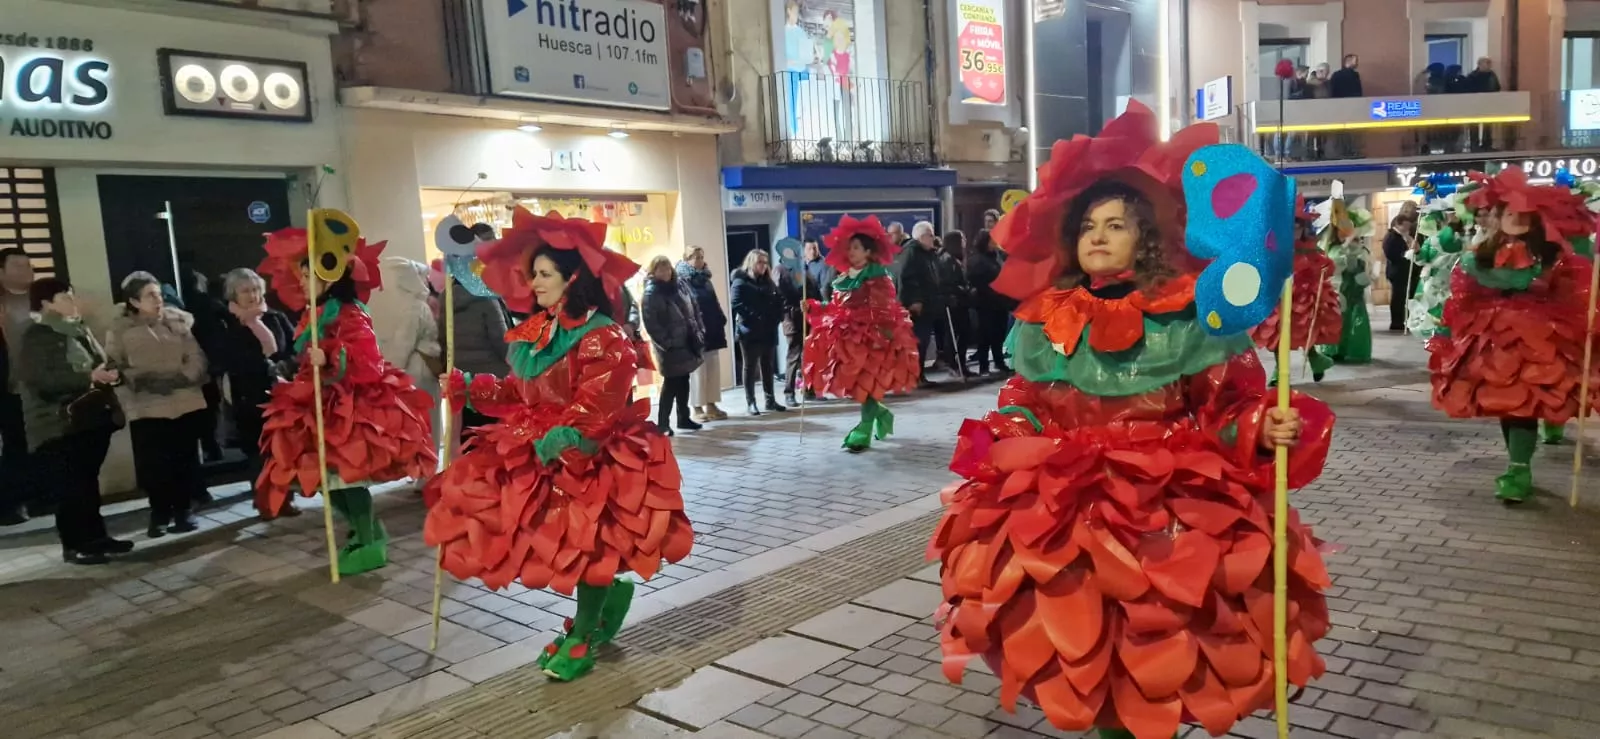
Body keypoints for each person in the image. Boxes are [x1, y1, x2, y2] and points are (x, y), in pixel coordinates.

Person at [928, 102, 1334, 739]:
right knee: (1089, 653)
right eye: (1089, 223)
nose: (1097, 234)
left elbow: (1223, 404)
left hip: (1167, 506)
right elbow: (1027, 398)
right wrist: (1005, 432)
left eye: (1115, 224)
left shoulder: (1187, 317)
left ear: (1145, 237)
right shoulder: (1046, 318)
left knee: (1159, 649)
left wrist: (1260, 427)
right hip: (1067, 503)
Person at [423, 207, 693, 682]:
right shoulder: (538, 330)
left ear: (573, 278)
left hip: (588, 458)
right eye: (533, 273)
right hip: (539, 450)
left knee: (588, 551)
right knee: (553, 550)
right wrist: (470, 385)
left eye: (544, 273)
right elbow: (518, 391)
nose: (534, 282)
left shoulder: (601, 335)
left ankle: (584, 632)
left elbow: (600, 405)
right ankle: (606, 602)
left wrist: (568, 438)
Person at [253, 212, 438, 576]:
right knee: (322, 479)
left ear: (330, 276)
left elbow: (367, 359)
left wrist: (333, 357)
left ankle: (369, 537)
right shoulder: (313, 314)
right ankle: (364, 529)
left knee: (343, 477)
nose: (303, 281)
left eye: (310, 275)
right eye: (302, 275)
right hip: (316, 403)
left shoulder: (352, 313)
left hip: (351, 408)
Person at [1427, 167, 1600, 503]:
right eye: (1507, 212)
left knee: (1534, 401)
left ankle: (1528, 455)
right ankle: (1518, 464)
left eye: (1522, 214)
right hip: (1497, 340)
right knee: (1511, 406)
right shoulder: (1483, 252)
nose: (1513, 219)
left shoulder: (1552, 252)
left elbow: (1574, 284)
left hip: (1541, 339)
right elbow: (1469, 289)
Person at [19, 277, 134, 565]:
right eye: (64, 297)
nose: (72, 301)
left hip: (89, 417)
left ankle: (96, 538)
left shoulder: (77, 329)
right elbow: (41, 381)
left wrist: (109, 372)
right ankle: (75, 544)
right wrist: (88, 377)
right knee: (71, 486)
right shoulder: (38, 335)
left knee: (86, 482)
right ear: (45, 302)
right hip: (57, 421)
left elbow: (100, 361)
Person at [801, 215, 921, 452]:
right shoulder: (845, 278)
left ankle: (863, 431)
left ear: (868, 251)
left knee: (866, 385)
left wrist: (878, 329)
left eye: (857, 248)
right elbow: (836, 307)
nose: (852, 252)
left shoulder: (878, 277)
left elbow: (885, 307)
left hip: (873, 339)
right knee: (855, 386)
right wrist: (814, 306)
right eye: (851, 248)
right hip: (848, 340)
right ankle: (882, 414)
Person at [105, 273, 210, 538]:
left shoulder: (178, 322)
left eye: (159, 294)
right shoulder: (120, 330)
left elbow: (195, 356)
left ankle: (184, 510)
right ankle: (160, 512)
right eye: (150, 295)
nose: (158, 300)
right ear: (133, 301)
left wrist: (182, 377)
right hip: (147, 405)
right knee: (155, 463)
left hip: (183, 399)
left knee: (184, 458)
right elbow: (115, 364)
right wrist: (143, 379)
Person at [217, 267, 298, 517]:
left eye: (255, 290)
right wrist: (262, 364)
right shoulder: (226, 323)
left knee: (283, 449)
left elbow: (294, 347)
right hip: (248, 395)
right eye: (245, 291)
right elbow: (227, 358)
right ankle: (265, 501)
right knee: (258, 452)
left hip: (280, 392)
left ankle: (285, 499)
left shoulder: (275, 317)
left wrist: (284, 365)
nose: (252, 296)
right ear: (233, 295)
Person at [1250, 201, 1342, 382]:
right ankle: (1281, 370)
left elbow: (1325, 266)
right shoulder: (1273, 247)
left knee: (1306, 331)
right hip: (1280, 296)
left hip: (1304, 295)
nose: (1294, 231)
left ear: (1304, 228)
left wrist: (1323, 269)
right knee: (1279, 332)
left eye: (1297, 226)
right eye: (1290, 226)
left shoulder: (1310, 247)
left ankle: (1315, 359)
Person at [370, 256, 445, 445]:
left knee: (424, 425)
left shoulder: (413, 309)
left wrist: (386, 374)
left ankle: (426, 472)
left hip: (417, 374)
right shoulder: (418, 306)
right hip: (423, 372)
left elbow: (402, 347)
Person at [439, 251, 512, 435]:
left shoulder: (446, 298)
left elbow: (442, 339)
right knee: (493, 436)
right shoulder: (487, 298)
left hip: (461, 380)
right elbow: (502, 342)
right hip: (492, 381)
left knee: (469, 433)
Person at [641, 254, 704, 434]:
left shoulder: (679, 286)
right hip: (670, 347)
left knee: (684, 380)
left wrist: (698, 330)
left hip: (686, 341)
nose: (666, 272)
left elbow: (694, 308)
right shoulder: (652, 292)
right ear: (654, 271)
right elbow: (651, 323)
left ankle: (684, 418)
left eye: (668, 268)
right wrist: (667, 343)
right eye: (661, 269)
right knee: (670, 384)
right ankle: (663, 423)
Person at [0, 247, 36, 525]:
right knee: (14, 444)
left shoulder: (42, 298)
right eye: (18, 265)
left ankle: (41, 496)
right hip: (8, 385)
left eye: (28, 264)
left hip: (42, 384)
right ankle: (13, 503)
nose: (26, 269)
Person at [730, 249, 787, 416]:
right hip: (749, 330)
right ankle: (751, 402)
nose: (763, 266)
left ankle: (770, 400)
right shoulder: (740, 281)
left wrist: (778, 316)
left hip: (768, 330)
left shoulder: (768, 281)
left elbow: (779, 300)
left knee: (768, 365)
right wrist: (755, 317)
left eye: (765, 262)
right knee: (750, 366)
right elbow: (736, 303)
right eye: (759, 262)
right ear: (751, 263)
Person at [900, 221, 957, 385]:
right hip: (918, 307)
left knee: (923, 342)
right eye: (930, 235)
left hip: (929, 304)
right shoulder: (912, 253)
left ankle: (919, 375)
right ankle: (915, 376)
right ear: (921, 236)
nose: (933, 238)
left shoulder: (927, 253)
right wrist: (915, 300)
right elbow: (908, 278)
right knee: (918, 342)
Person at [677, 246, 730, 422]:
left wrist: (721, 318)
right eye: (695, 257)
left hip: (712, 327)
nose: (699, 260)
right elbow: (683, 306)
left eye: (701, 256)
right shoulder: (682, 280)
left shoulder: (706, 279)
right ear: (687, 259)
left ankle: (711, 403)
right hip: (695, 330)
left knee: (713, 367)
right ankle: (697, 407)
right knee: (698, 371)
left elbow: (713, 300)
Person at [965, 229, 1012, 375]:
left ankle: (999, 362)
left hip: (1000, 302)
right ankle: (983, 366)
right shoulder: (977, 260)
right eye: (992, 241)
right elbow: (976, 281)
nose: (995, 243)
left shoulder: (997, 256)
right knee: (985, 335)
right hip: (985, 303)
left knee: (999, 333)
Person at [776, 256, 821, 407]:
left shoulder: (804, 271)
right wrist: (794, 307)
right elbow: (778, 298)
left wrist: (812, 304)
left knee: (808, 356)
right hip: (792, 319)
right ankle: (789, 392)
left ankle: (808, 389)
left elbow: (815, 292)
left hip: (808, 319)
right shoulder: (780, 271)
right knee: (794, 356)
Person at [1383, 214, 1420, 330]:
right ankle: (1397, 322)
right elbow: (1391, 254)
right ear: (1398, 224)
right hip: (1397, 271)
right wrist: (1405, 255)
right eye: (1405, 226)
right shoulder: (1391, 236)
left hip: (1405, 271)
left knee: (1405, 297)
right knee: (1398, 298)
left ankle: (1404, 319)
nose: (1407, 229)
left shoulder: (1404, 235)